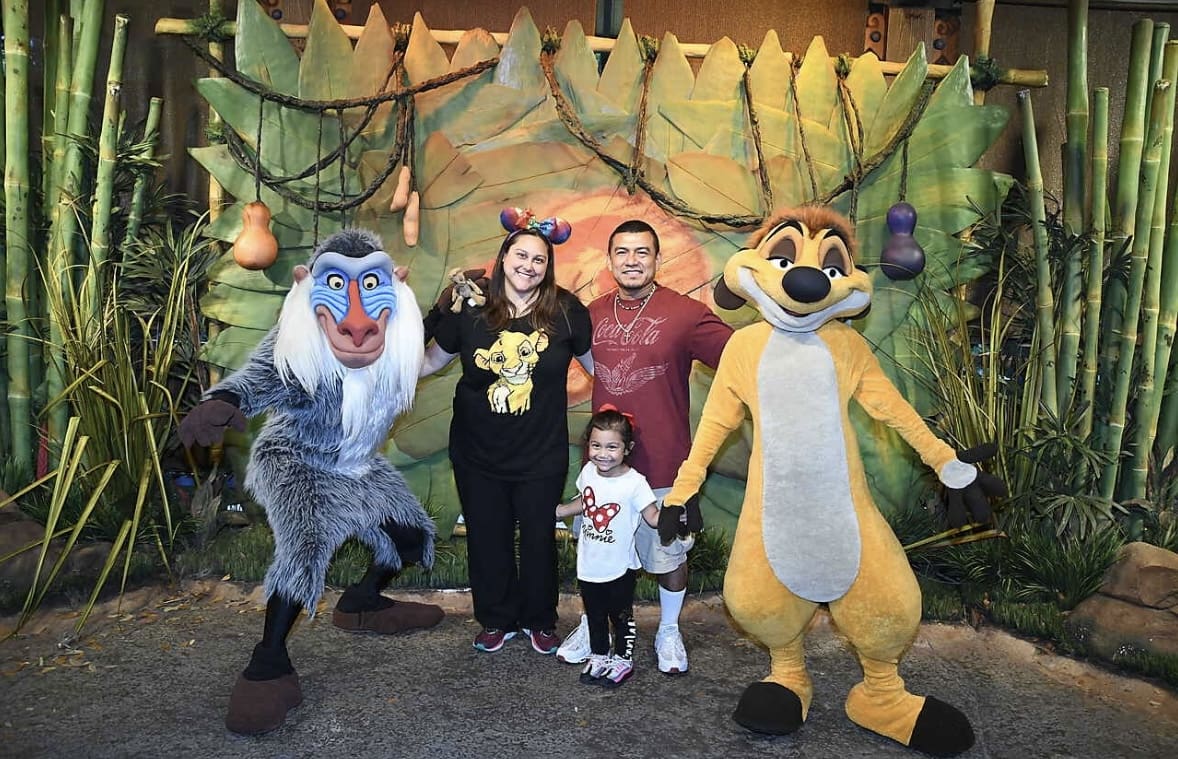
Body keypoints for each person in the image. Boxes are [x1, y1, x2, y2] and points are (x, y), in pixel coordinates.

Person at [556, 219, 733, 674]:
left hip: (665, 466)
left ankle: (670, 629)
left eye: (642, 252)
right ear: (609, 259)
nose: (631, 260)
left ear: (657, 259)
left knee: (667, 554)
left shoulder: (687, 314)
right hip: (605, 469)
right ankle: (595, 625)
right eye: (622, 252)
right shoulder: (590, 314)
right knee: (599, 552)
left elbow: (738, 359)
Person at [421, 208, 593, 655]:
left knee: (538, 539)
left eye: (538, 259)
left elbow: (603, 372)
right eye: (521, 255)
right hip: (478, 453)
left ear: (548, 266)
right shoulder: (471, 310)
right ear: (503, 258)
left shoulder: (568, 311)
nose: (528, 265)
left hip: (540, 453)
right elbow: (428, 363)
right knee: (487, 536)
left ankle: (539, 620)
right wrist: (373, 371)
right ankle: (496, 619)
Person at [555, 406, 658, 688]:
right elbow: (585, 502)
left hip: (619, 568)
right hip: (589, 564)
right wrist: (561, 511)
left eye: (612, 447)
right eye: (596, 445)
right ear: (588, 445)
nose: (603, 453)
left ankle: (623, 660)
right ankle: (599, 655)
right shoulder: (589, 471)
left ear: (627, 448)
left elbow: (652, 516)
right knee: (596, 616)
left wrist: (674, 518)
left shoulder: (635, 483)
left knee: (621, 617)